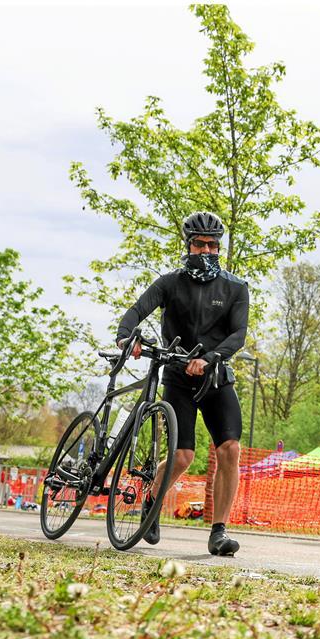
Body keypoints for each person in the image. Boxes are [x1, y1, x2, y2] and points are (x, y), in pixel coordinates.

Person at [116, 211, 248, 556]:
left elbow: (239, 334)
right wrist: (125, 338)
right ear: (188, 245)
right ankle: (152, 502)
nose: (205, 251)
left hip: (216, 376)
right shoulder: (169, 283)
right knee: (183, 456)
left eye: (212, 245)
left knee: (229, 449)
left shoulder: (235, 287)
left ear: (220, 247)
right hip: (177, 377)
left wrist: (210, 359)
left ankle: (219, 531)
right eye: (199, 244)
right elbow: (135, 311)